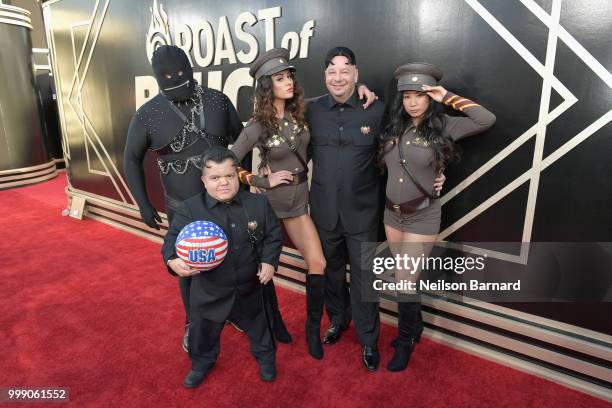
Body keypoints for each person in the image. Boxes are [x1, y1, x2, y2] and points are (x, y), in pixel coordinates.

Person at [123, 45, 290, 350]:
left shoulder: (217, 100)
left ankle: (238, 312)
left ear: (191, 70)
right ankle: (194, 320)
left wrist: (248, 182)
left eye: (182, 75)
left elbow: (242, 144)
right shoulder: (147, 114)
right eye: (168, 78)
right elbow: (130, 159)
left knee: (241, 259)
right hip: (183, 207)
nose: (177, 81)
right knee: (189, 265)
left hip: (230, 202)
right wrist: (143, 204)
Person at [231, 48, 378, 359]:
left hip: (304, 204)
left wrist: (360, 88)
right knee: (264, 269)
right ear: (266, 86)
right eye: (280, 78)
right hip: (274, 204)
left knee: (321, 264)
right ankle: (276, 328)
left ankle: (316, 330)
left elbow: (341, 98)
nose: (289, 82)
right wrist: (260, 181)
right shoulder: (259, 123)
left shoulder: (303, 112)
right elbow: (229, 162)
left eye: (289, 76)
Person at [306, 47, 444, 371]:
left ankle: (368, 339)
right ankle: (338, 320)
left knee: (365, 278)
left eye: (345, 70)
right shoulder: (311, 110)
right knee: (332, 274)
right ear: (325, 76)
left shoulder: (377, 109)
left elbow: (405, 147)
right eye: (332, 71)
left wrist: (436, 171)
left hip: (363, 212)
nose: (338, 77)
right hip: (324, 210)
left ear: (356, 74)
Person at [379, 62, 496, 371]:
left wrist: (447, 96)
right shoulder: (394, 126)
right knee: (406, 277)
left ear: (430, 97)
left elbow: (486, 119)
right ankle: (414, 327)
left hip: (422, 217)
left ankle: (405, 342)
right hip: (392, 215)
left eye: (420, 94)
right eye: (407, 96)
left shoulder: (445, 124)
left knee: (403, 280)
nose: (413, 102)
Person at [162, 146, 282, 388]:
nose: (223, 183)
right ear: (204, 180)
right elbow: (171, 243)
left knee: (261, 328)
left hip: (251, 286)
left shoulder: (258, 203)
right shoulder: (190, 209)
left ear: (237, 175)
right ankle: (201, 364)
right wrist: (172, 261)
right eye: (215, 178)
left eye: (229, 176)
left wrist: (269, 261)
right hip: (209, 289)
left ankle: (266, 358)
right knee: (203, 332)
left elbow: (274, 236)